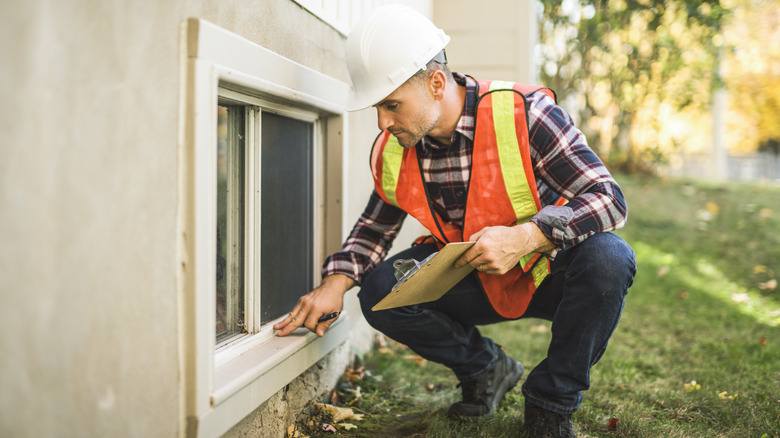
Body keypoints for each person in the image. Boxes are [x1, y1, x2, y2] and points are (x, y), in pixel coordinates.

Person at [274, 5, 636, 438]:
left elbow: (608, 199)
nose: (383, 122)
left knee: (610, 257)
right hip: (476, 279)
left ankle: (550, 405)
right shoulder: (396, 146)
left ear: (436, 83)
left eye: (391, 105)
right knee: (379, 291)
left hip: (548, 271)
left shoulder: (526, 114)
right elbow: (374, 229)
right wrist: (334, 284)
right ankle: (487, 368)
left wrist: (528, 236)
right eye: (377, 107)